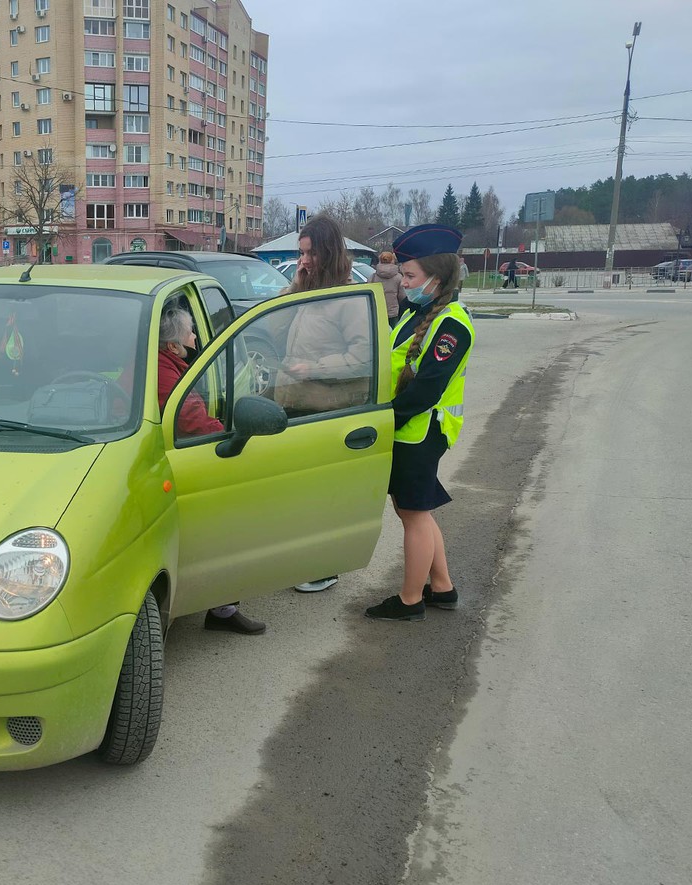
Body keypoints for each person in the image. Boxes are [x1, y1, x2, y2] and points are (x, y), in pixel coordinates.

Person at [365, 224, 475, 622]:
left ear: (437, 277)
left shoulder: (452, 324)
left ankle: (410, 600)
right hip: (410, 431)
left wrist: (382, 418)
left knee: (413, 516)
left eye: (410, 276)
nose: (404, 283)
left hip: (421, 431)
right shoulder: (419, 313)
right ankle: (442, 587)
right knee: (418, 513)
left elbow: (427, 390)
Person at [156, 304, 266, 635]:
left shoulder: (166, 363)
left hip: (174, 460)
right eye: (191, 333)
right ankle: (219, 608)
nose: (196, 338)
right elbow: (192, 420)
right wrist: (229, 434)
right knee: (224, 528)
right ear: (174, 345)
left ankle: (221, 606)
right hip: (179, 464)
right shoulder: (165, 372)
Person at [278, 214, 368, 595]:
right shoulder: (309, 291)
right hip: (296, 401)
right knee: (297, 492)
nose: (304, 260)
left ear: (328, 251)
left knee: (319, 493)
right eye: (300, 253)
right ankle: (300, 557)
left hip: (325, 408)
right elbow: (272, 326)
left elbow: (364, 356)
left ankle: (324, 567)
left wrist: (313, 367)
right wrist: (296, 285)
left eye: (310, 253)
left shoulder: (346, 298)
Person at [369, 250, 405, 325]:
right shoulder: (398, 277)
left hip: (377, 311)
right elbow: (402, 296)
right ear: (393, 260)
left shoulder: (373, 277)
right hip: (393, 312)